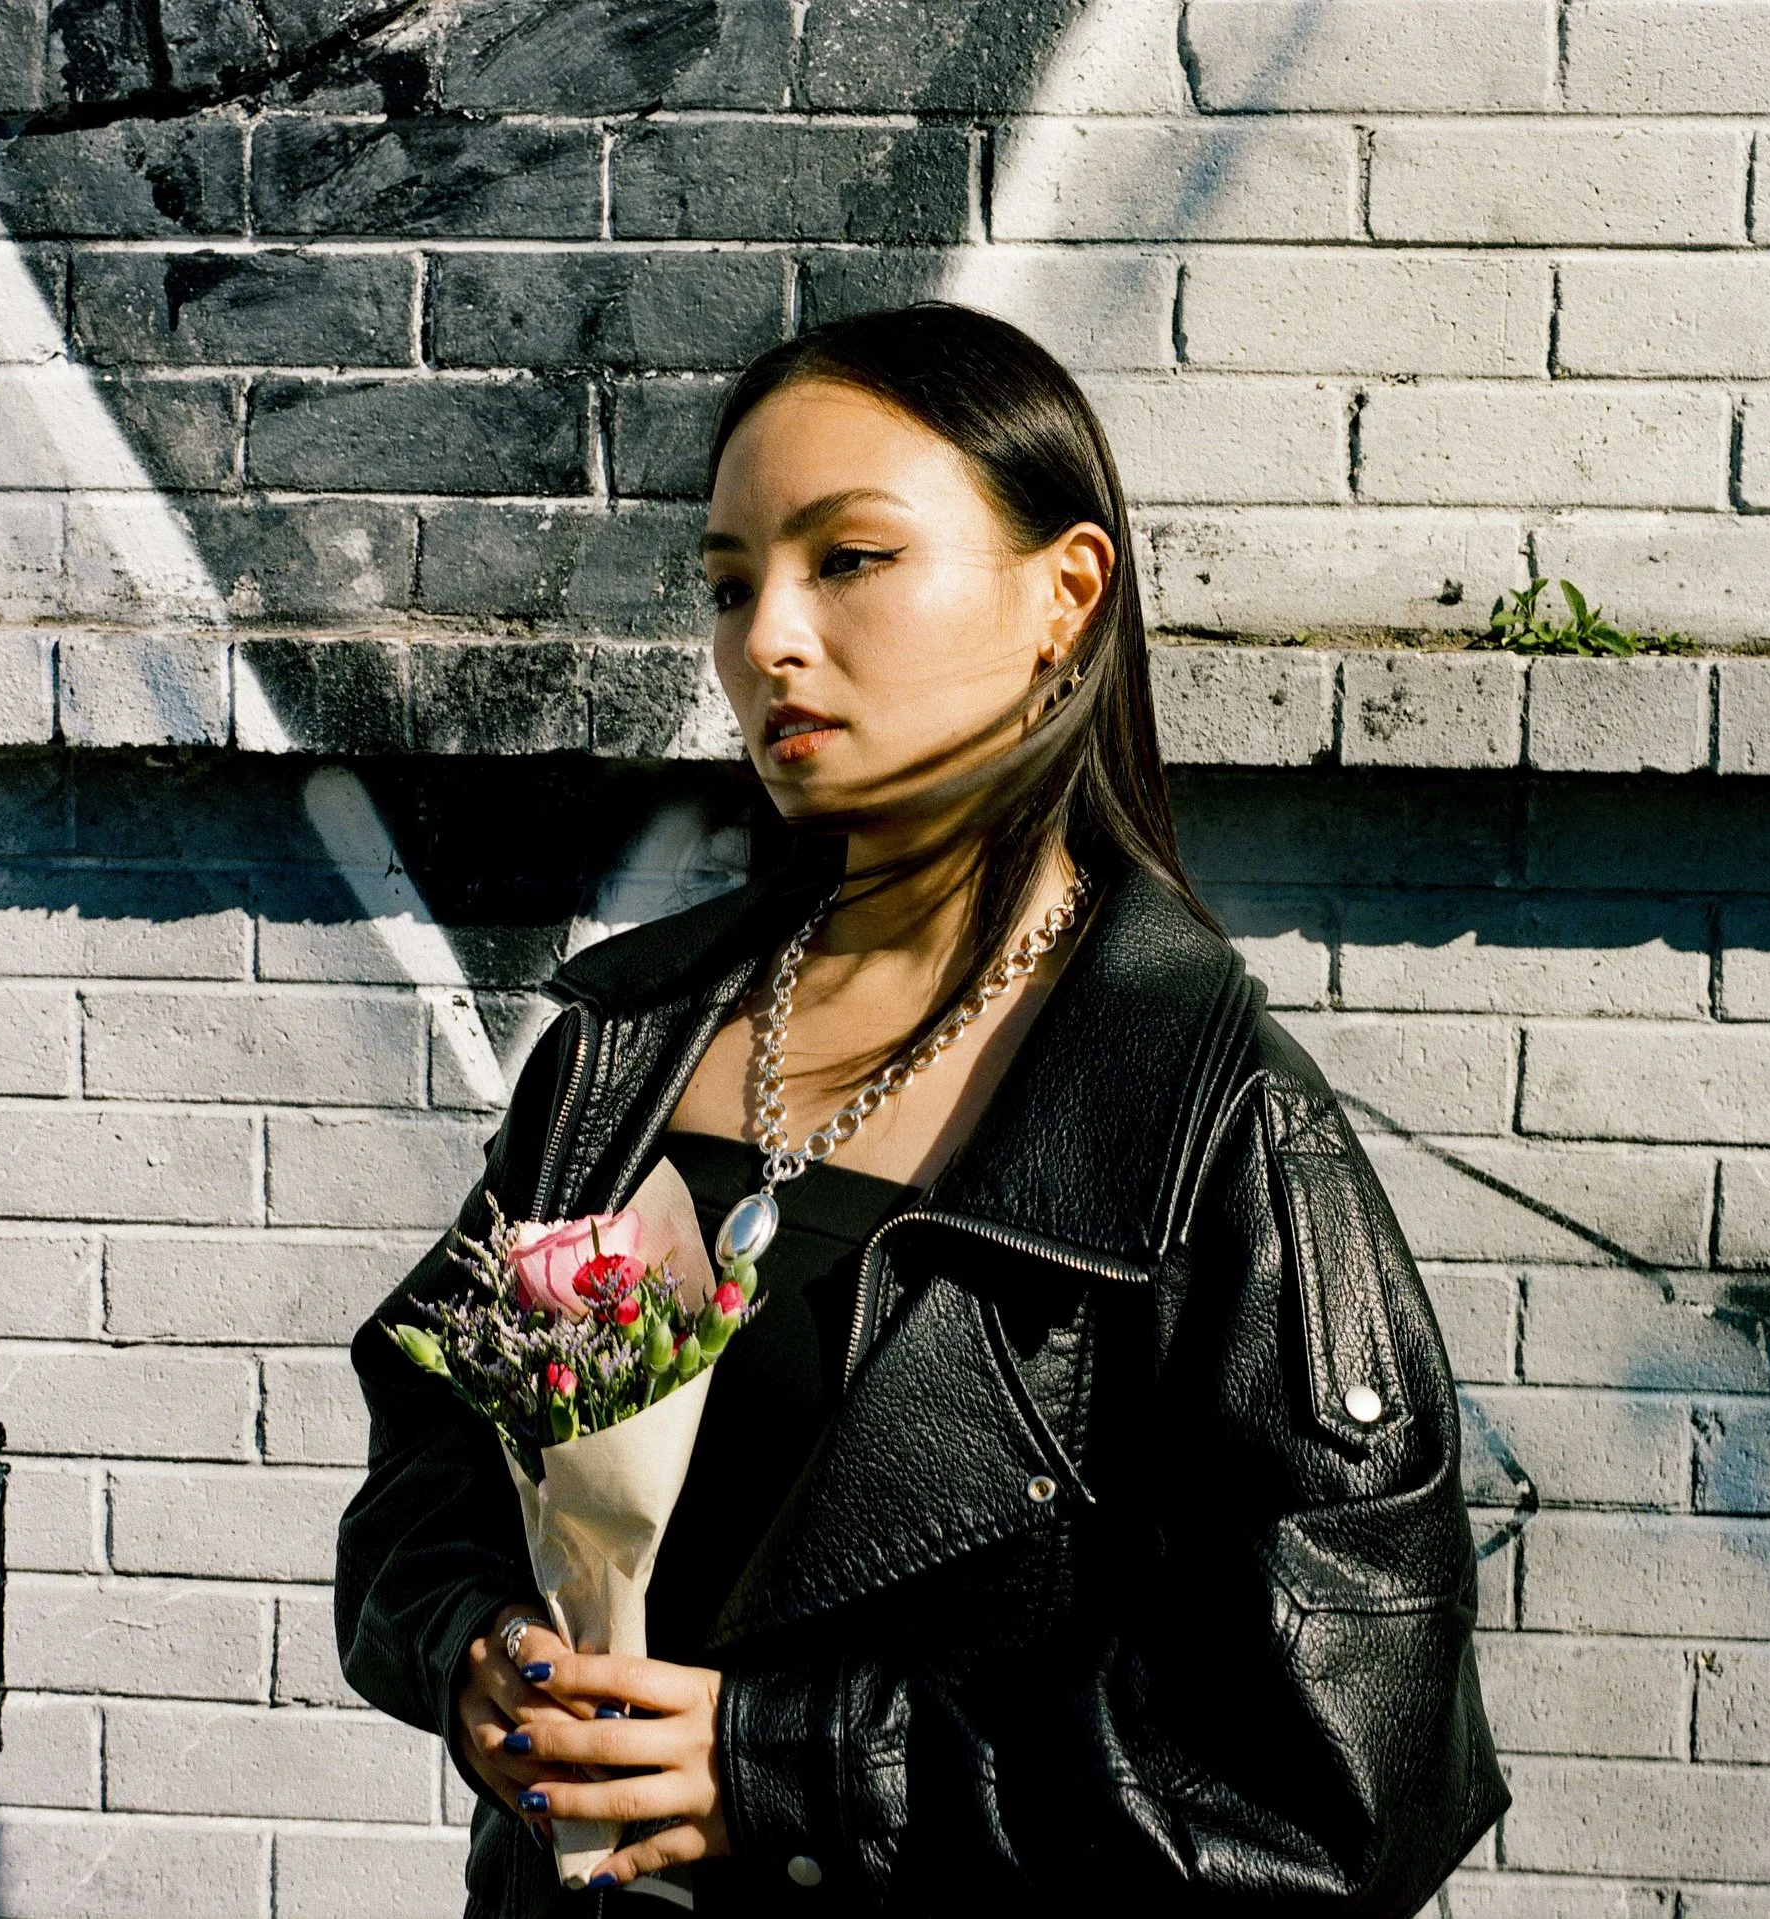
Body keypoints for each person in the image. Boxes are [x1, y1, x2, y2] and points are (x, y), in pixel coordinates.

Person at [335, 302, 1507, 1916]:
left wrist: (796, 1773)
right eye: (732, 583)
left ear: (1064, 596)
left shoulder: (1207, 1120)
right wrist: (469, 1642)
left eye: (852, 559)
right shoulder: (625, 1042)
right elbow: (428, 1456)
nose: (769, 640)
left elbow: (1347, 1769)